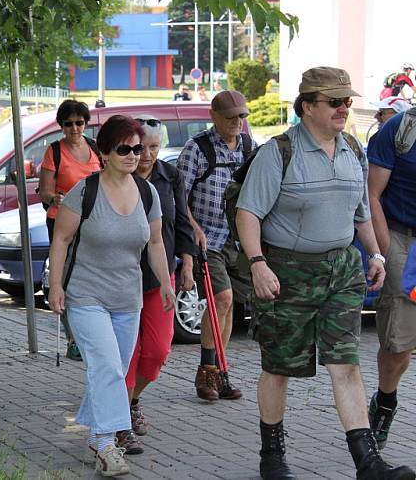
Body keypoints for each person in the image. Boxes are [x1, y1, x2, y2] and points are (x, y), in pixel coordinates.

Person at [235, 66, 414, 480]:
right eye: (334, 102)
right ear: (307, 106)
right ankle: (272, 458)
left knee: (345, 364)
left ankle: (367, 462)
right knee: (279, 366)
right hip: (287, 272)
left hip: (342, 270)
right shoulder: (278, 152)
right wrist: (258, 264)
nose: (343, 109)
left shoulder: (352, 146)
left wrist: (375, 254)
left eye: (347, 102)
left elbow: (361, 212)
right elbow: (248, 214)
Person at [47, 115, 172, 476]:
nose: (134, 155)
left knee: (114, 370)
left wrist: (165, 283)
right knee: (106, 368)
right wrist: (56, 286)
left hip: (127, 299)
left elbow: (155, 241)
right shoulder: (85, 192)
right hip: (86, 296)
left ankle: (94, 425)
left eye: (138, 148)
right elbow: (61, 240)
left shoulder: (147, 192)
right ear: (104, 152)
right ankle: (106, 443)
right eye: (124, 149)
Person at [177, 89, 256, 401]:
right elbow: (177, 197)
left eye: (241, 116)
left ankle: (220, 371)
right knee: (221, 299)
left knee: (229, 304)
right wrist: (193, 227)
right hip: (206, 238)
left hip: (236, 238)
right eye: (231, 117)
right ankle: (207, 372)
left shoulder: (249, 147)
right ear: (214, 117)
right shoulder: (196, 149)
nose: (238, 122)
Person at [124, 115, 196, 446]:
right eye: (143, 147)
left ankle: (131, 400)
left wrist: (187, 266)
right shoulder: (118, 179)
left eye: (154, 146)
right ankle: (121, 413)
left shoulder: (171, 177)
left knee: (156, 350)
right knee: (127, 351)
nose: (148, 154)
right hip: (122, 276)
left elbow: (182, 223)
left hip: (161, 274)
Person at [366, 99, 416, 453]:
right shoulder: (398, 131)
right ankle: (386, 401)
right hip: (403, 238)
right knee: (399, 341)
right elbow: (372, 194)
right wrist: (385, 252)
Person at [38, 99, 102, 361]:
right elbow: (44, 191)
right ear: (61, 126)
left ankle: (91, 332)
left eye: (79, 122)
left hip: (92, 222)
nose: (75, 128)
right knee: (64, 278)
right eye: (69, 123)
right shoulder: (54, 151)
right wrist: (56, 199)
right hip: (62, 221)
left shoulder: (95, 147)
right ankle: (73, 339)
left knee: (91, 277)